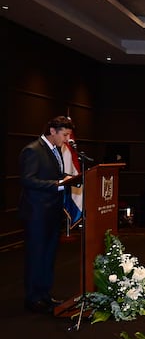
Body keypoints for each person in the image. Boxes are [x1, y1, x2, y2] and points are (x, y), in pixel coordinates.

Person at [19, 116, 80, 313]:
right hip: (37, 213)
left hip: (52, 212)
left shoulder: (55, 150)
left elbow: (54, 175)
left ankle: (44, 295)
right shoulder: (32, 150)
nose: (67, 139)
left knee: (48, 256)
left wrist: (68, 179)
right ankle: (33, 298)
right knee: (37, 256)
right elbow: (28, 180)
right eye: (65, 134)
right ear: (52, 131)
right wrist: (57, 185)